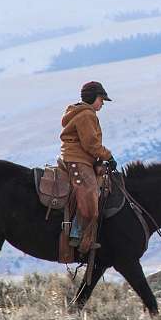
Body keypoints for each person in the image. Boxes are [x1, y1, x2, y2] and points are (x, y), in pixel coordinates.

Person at [59, 81, 117, 254]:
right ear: (92, 97)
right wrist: (108, 156)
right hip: (78, 159)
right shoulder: (86, 115)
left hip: (81, 158)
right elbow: (91, 143)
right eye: (101, 99)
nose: (103, 103)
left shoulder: (82, 112)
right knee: (91, 193)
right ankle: (80, 238)